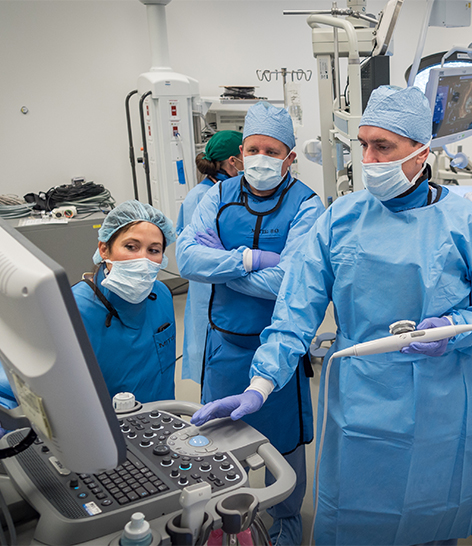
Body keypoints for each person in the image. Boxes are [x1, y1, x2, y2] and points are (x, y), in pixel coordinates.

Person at [190, 85, 472, 546]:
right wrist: (260, 385)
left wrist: (453, 328)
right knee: (361, 509)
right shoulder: (341, 218)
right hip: (361, 392)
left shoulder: (463, 221)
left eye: (383, 146)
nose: (369, 159)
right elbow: (295, 310)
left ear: (421, 152)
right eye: (363, 145)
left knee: (432, 508)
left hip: (439, 396)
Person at [176, 101, 325, 546]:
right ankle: (223, 522)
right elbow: (187, 260)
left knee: (285, 447)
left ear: (290, 157)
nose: (261, 158)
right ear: (240, 153)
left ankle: (285, 522)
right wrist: (251, 259)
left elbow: (289, 283)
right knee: (219, 444)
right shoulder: (218, 196)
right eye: (253, 149)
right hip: (224, 345)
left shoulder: (306, 204)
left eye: (272, 151)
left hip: (278, 345)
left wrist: (219, 264)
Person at [72, 200, 177, 405]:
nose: (142, 259)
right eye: (131, 247)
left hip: (162, 415)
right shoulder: (75, 309)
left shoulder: (162, 295)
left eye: (153, 250)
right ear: (104, 249)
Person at [176, 130, 243, 383]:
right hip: (210, 284)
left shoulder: (230, 189)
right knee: (212, 347)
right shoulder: (202, 196)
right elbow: (195, 250)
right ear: (232, 161)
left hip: (231, 276)